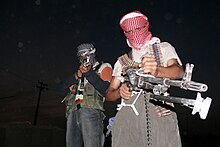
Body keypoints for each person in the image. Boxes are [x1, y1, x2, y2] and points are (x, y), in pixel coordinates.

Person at [105, 11, 184, 147]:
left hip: (159, 110)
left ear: (146, 26)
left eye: (138, 28)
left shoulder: (163, 48)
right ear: (125, 33)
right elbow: (109, 93)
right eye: (130, 31)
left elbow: (178, 72)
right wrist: (120, 92)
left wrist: (157, 71)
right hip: (128, 116)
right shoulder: (122, 61)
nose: (134, 33)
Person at [61, 43, 112, 147]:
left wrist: (89, 73)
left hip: (91, 111)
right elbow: (59, 89)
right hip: (73, 111)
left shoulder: (103, 67)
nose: (83, 58)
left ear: (93, 53)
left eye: (86, 54)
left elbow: (107, 90)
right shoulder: (78, 72)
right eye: (80, 55)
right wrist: (76, 76)